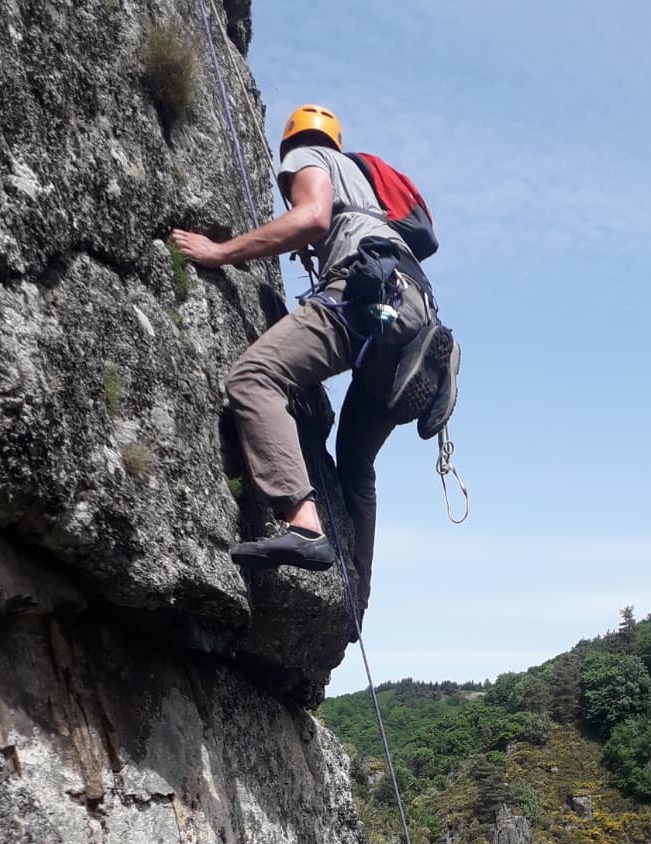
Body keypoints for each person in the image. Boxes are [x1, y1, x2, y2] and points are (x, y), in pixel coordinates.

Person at [171, 103, 455, 627]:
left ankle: (304, 527)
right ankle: (358, 601)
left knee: (255, 378)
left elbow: (313, 217)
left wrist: (218, 253)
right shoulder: (368, 183)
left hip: (363, 293)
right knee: (355, 465)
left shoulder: (308, 155)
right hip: (414, 306)